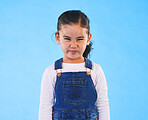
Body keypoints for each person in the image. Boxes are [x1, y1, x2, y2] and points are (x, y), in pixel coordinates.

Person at [39, 10, 110, 120]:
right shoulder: (51, 71)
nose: (73, 45)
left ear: (88, 38)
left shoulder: (95, 70)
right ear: (58, 38)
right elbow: (45, 107)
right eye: (67, 39)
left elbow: (103, 105)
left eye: (79, 39)